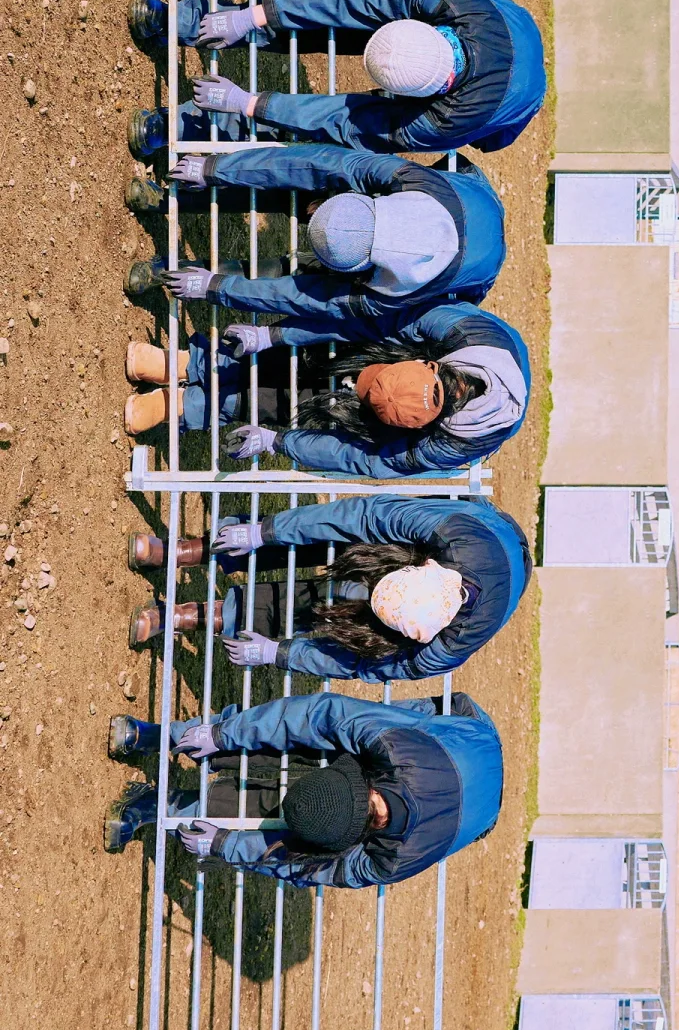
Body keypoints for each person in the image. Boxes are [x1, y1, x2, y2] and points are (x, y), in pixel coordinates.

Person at [103, 690, 503, 888]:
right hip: (463, 730)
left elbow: (309, 866)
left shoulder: (390, 862)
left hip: (475, 811)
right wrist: (224, 734)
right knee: (303, 742)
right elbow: (315, 715)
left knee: (305, 825)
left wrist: (227, 844)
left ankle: (164, 806)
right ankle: (167, 737)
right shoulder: (391, 744)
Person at [128, 0, 547, 157]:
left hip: (497, 101)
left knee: (331, 125)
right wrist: (254, 16)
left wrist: (250, 104)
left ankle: (192, 127)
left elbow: (344, 121)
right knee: (319, 23)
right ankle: (187, 21)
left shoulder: (448, 121)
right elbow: (348, 0)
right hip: (503, 25)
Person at [126, 491, 531, 681]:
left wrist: (279, 653)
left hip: (483, 580)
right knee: (342, 543)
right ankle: (189, 550)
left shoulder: (444, 650)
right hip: (474, 530)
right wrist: (265, 531)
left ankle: (194, 616)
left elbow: (362, 664)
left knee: (332, 607)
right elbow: (359, 516)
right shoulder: (453, 530)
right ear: (424, 566)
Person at [122, 301, 531, 478]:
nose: (360, 384)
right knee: (307, 354)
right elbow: (358, 318)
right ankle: (185, 363)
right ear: (425, 361)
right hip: (411, 342)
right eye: (373, 380)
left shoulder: (443, 446)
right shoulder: (452, 332)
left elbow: (362, 458)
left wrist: (278, 442)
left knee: (288, 404)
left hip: (424, 422)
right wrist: (273, 334)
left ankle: (183, 404)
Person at [126, 145, 506, 330]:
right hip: (466, 197)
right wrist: (216, 167)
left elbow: (302, 299)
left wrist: (215, 288)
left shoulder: (392, 296)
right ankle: (171, 196)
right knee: (293, 187)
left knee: (301, 277)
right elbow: (313, 162)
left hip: (457, 267)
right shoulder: (410, 181)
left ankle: (177, 272)